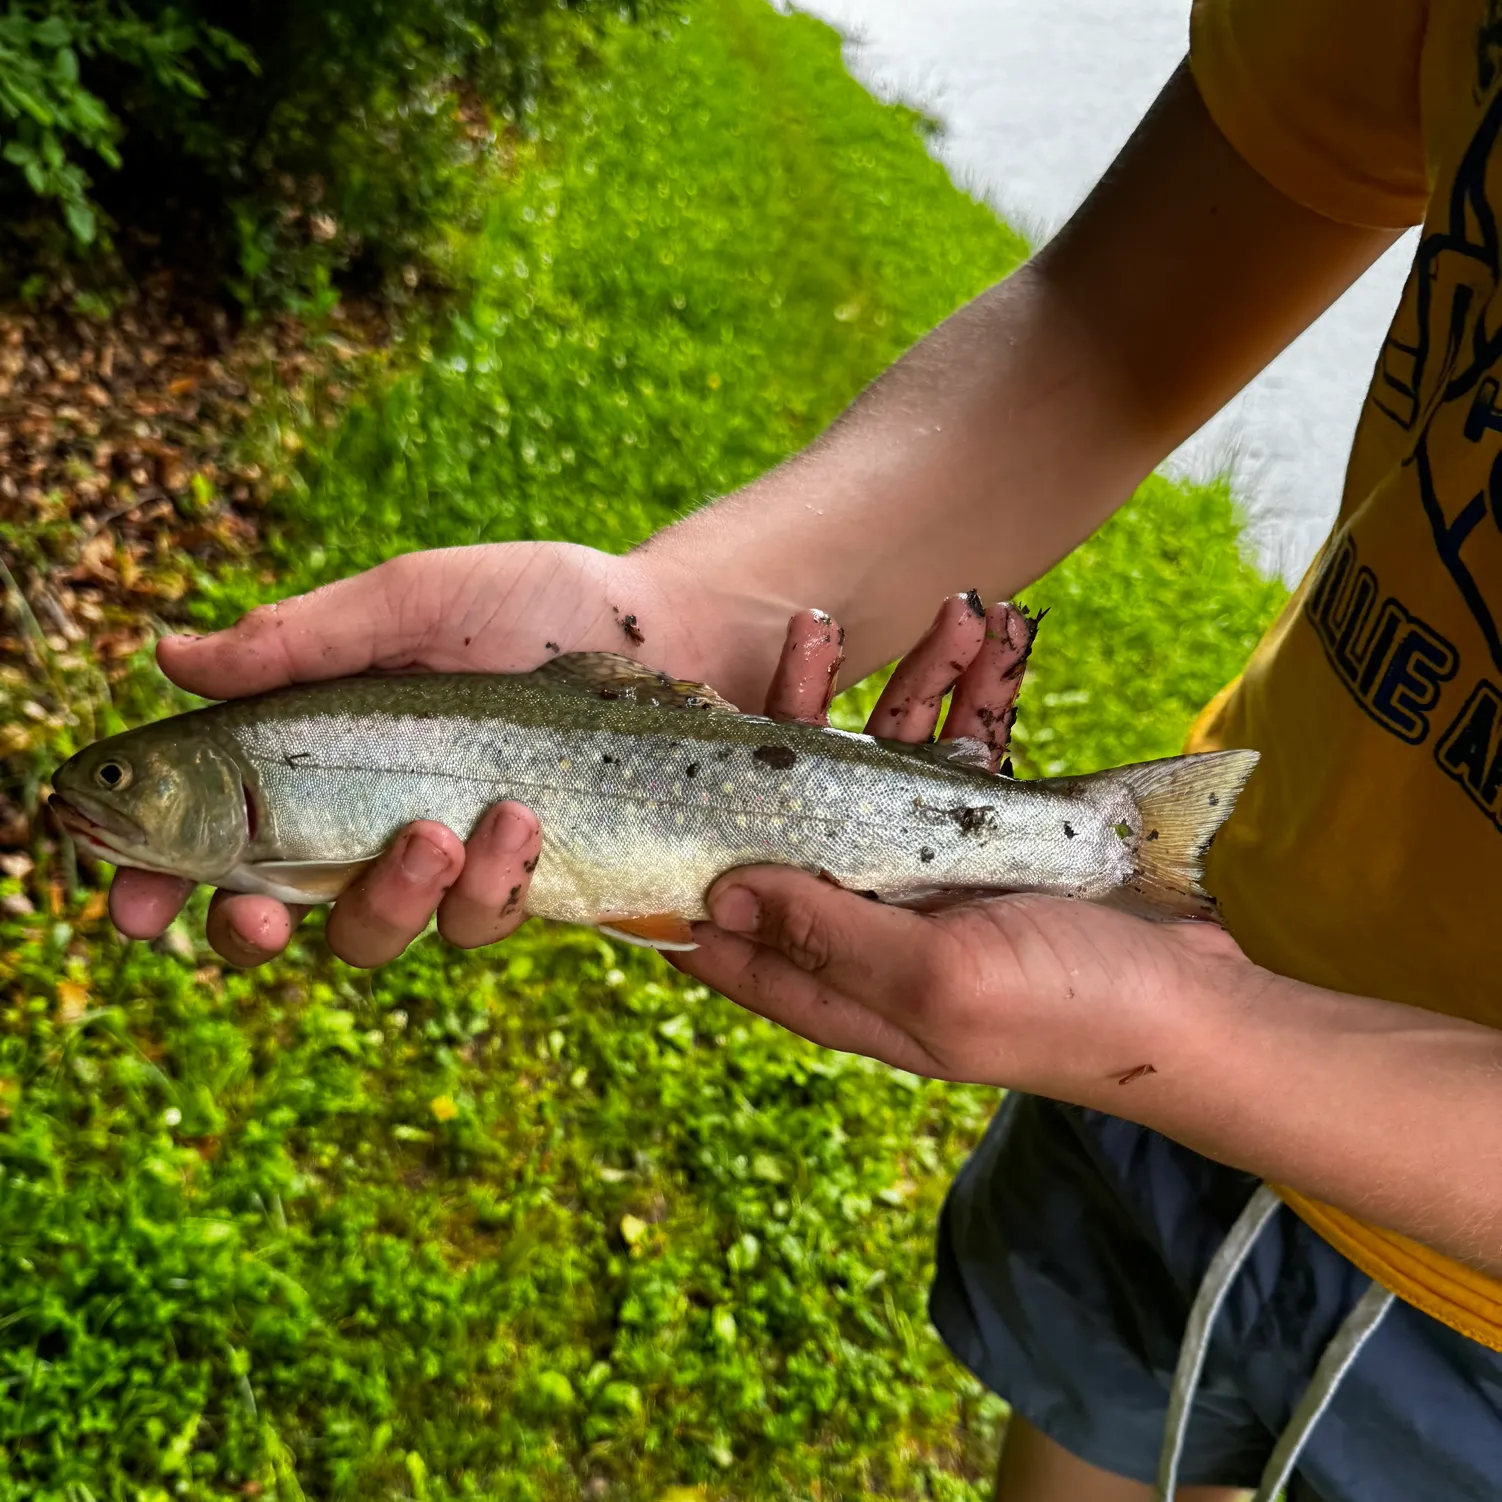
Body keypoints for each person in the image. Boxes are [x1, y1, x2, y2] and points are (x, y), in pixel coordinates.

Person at [107, 1, 1502, 1497]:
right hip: (1161, 1046)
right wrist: (687, 615)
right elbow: (1121, 317)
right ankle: (1108, 842)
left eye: (127, 784)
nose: (101, 799)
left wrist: (1220, 1041)